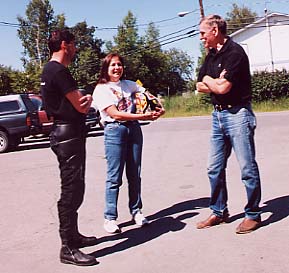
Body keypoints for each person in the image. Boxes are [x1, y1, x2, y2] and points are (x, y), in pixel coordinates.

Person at [195, 15, 262, 234]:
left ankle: (253, 214)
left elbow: (223, 89)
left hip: (238, 115)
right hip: (218, 117)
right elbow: (199, 83)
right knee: (213, 168)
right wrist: (212, 81)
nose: (201, 37)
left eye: (203, 33)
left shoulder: (235, 53)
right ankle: (219, 211)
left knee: (247, 168)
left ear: (214, 30)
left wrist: (212, 83)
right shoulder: (211, 55)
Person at [40, 29, 98, 266]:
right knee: (72, 190)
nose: (75, 49)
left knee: (76, 186)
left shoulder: (48, 69)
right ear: (64, 45)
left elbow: (68, 102)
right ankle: (68, 248)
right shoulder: (60, 72)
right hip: (68, 135)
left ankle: (74, 236)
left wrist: (80, 101)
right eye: (73, 44)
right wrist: (89, 98)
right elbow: (81, 106)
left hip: (64, 133)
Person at [92, 53, 165, 234]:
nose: (117, 68)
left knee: (134, 173)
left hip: (134, 130)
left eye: (119, 64)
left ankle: (136, 211)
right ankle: (110, 217)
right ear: (106, 68)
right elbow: (115, 114)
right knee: (114, 177)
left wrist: (157, 106)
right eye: (112, 65)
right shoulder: (101, 89)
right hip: (115, 130)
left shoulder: (129, 84)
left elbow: (145, 94)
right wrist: (144, 117)